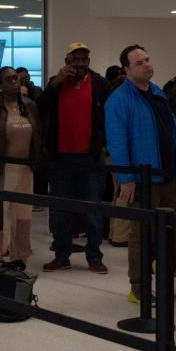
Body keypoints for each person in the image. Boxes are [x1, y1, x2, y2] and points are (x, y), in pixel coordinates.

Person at [106, 45, 176, 304]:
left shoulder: (158, 93)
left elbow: (173, 131)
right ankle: (138, 288)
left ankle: (163, 277)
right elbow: (117, 142)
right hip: (142, 181)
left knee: (174, 230)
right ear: (126, 70)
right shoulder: (119, 100)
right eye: (139, 63)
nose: (146, 65)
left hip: (167, 176)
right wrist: (126, 179)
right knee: (141, 237)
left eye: (147, 60)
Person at [36, 42, 112, 274]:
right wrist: (55, 84)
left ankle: (94, 256)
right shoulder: (56, 83)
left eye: (83, 59)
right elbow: (40, 108)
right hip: (60, 158)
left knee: (92, 209)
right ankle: (62, 255)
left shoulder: (99, 84)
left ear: (88, 62)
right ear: (67, 61)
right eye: (75, 59)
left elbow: (110, 115)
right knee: (60, 210)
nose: (79, 64)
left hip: (90, 159)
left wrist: (103, 145)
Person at [0, 67, 42, 269]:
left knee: (23, 215)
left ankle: (20, 256)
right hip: (1, 169)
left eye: (16, 78)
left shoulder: (29, 106)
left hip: (25, 169)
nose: (14, 82)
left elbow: (38, 136)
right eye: (9, 79)